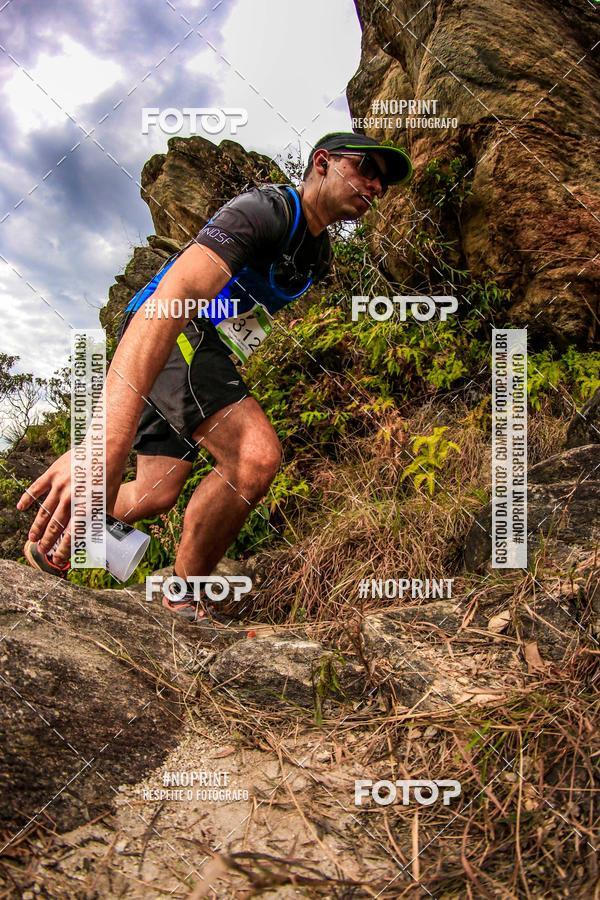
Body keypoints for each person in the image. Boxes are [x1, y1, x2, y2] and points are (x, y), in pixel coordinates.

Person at [18, 132, 412, 623]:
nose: (375, 185)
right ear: (323, 162)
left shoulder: (317, 258)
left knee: (155, 491)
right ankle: (184, 597)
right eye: (366, 168)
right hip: (168, 329)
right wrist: (102, 442)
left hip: (205, 347)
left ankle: (58, 537)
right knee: (254, 456)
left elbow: (247, 319)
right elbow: (173, 297)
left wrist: (225, 368)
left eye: (383, 181)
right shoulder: (263, 211)